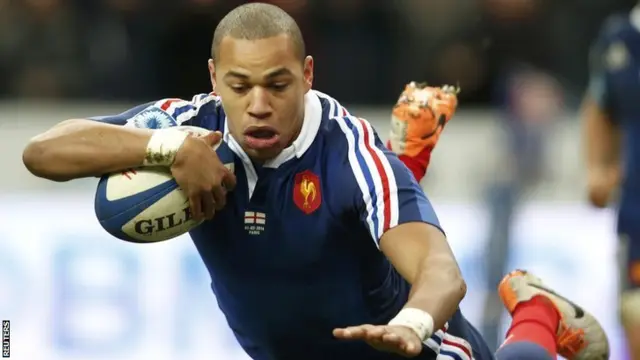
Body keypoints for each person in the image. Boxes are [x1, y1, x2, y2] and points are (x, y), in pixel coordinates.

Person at [23, 3, 608, 360]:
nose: (256, 105)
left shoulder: (350, 152)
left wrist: (411, 324)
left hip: (403, 352)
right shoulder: (188, 124)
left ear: (307, 75)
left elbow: (441, 272)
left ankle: (535, 314)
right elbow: (41, 151)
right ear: (213, 77)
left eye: (277, 85)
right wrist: (165, 146)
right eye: (238, 85)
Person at [582, 5, 640, 359]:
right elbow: (599, 105)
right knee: (636, 313)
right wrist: (596, 168)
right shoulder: (620, 39)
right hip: (638, 211)